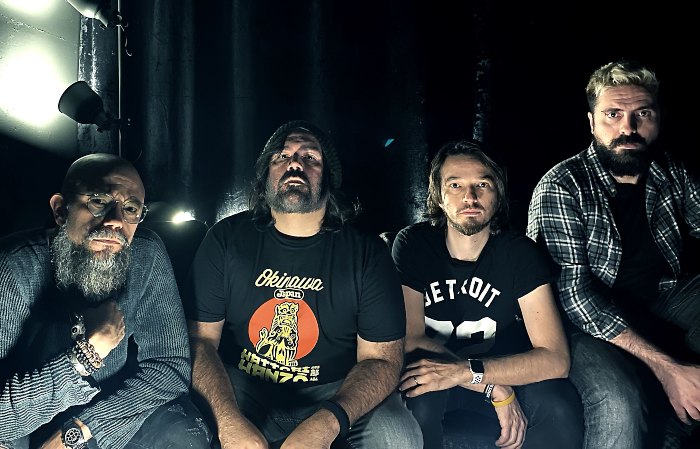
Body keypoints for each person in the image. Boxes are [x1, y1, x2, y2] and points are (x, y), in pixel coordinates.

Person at [184, 120, 422, 449]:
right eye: (282, 156)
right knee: (187, 425)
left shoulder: (367, 254)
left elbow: (382, 360)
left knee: (398, 438)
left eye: (310, 157)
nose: (295, 164)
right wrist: (228, 422)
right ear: (265, 174)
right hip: (244, 386)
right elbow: (200, 341)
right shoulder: (226, 239)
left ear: (329, 177)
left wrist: (327, 423)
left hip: (335, 390)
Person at [527, 59, 700, 449]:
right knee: (620, 402)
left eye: (643, 114)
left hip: (660, 304)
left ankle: (672, 432)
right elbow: (573, 297)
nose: (628, 128)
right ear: (592, 123)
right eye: (613, 114)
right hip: (579, 326)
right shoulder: (562, 185)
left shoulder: (671, 172)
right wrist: (668, 368)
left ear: (658, 118)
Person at [0, 153, 212, 449]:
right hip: (27, 415)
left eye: (131, 209)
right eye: (98, 201)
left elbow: (169, 366)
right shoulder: (13, 265)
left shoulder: (146, 253)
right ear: (60, 210)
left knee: (185, 432)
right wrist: (86, 355)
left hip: (107, 411)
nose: (115, 222)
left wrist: (80, 430)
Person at [392, 140, 583, 449]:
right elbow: (410, 338)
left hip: (497, 368)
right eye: (455, 185)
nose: (470, 197)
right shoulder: (414, 244)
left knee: (558, 409)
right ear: (438, 195)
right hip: (442, 374)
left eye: (482, 184)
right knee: (419, 396)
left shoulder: (519, 253)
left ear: (499, 193)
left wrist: (474, 374)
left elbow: (556, 359)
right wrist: (490, 386)